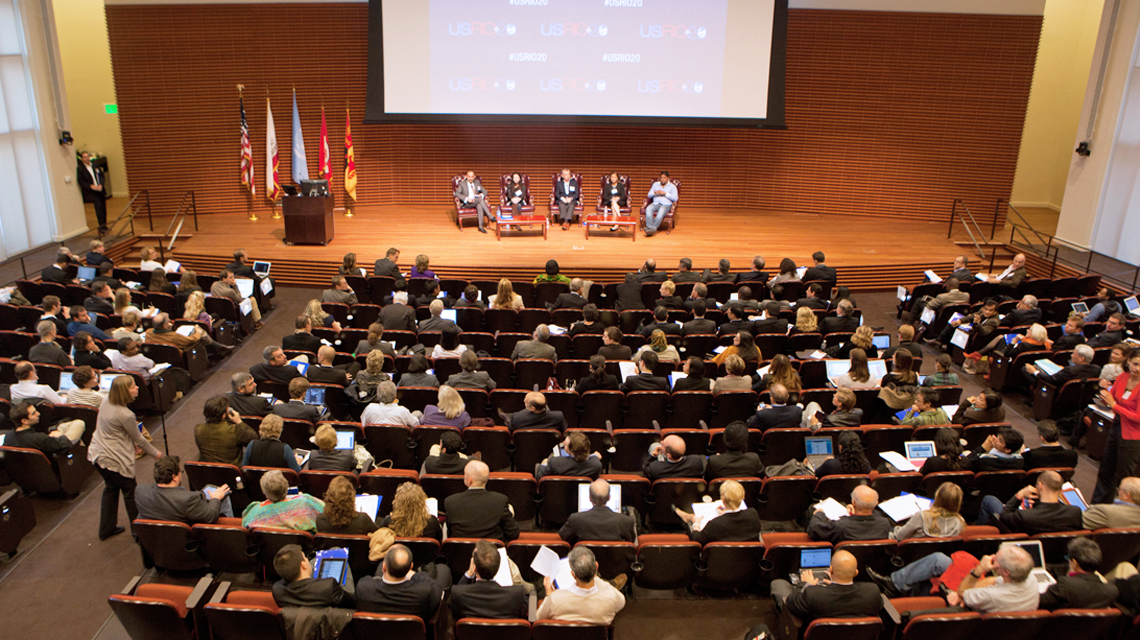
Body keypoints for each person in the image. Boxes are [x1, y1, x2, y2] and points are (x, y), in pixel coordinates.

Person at [88, 375, 162, 540]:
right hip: (114, 459)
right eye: (133, 386)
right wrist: (156, 453)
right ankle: (139, 531)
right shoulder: (126, 414)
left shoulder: (106, 402)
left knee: (111, 488)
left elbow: (116, 430)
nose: (137, 387)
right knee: (130, 493)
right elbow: (139, 439)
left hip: (98, 455)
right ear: (124, 391)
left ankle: (106, 529)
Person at [870, 543, 1037, 611]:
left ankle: (895, 587)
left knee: (929, 578)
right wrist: (973, 586)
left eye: (994, 560)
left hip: (965, 610)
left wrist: (978, 570)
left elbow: (964, 593)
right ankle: (894, 582)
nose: (989, 557)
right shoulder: (1030, 579)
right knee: (939, 560)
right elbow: (994, 580)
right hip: (976, 596)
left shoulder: (992, 596)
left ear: (1006, 571)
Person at [771, 550, 881, 623]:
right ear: (856, 573)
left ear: (831, 569)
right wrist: (832, 587)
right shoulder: (872, 592)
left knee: (778, 584)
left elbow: (791, 603)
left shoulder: (813, 594)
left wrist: (805, 584)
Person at [1093, 350, 1140, 503]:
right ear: (1128, 362)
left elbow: (1138, 417)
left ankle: (1121, 510)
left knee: (1125, 477)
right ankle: (1098, 505)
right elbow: (1110, 398)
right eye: (1135, 364)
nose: (1137, 368)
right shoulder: (1122, 377)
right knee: (1106, 469)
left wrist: (1115, 406)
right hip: (1116, 426)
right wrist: (1104, 392)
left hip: (1133, 436)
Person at [358, 545, 454, 619]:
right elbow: (437, 588)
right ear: (410, 567)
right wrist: (416, 575)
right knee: (443, 569)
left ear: (384, 567)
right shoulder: (423, 593)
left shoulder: (363, 588)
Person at [536, 547, 626, 625]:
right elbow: (621, 602)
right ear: (596, 567)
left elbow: (538, 618)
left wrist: (548, 593)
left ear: (573, 575)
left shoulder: (554, 599)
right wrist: (594, 575)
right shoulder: (612, 597)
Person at [975, 470, 1082, 534]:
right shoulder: (1075, 512)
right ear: (1060, 490)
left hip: (1019, 543)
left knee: (989, 500)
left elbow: (1004, 515)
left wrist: (1019, 495)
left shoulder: (1025, 516)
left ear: (1040, 486)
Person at [136, 455, 232, 523]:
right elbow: (210, 517)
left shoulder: (140, 491)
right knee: (224, 499)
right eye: (180, 472)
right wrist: (216, 498)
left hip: (155, 544)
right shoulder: (189, 499)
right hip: (184, 543)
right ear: (174, 477)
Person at [443, 460, 520, 542]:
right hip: (491, 552)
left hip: (460, 553)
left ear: (469, 480)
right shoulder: (500, 501)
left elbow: (450, 533)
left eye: (465, 474)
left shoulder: (451, 502)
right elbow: (513, 533)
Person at [452, 540, 528, 620]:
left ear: (474, 568)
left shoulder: (458, 594)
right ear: (498, 567)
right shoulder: (517, 595)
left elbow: (455, 605)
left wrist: (469, 573)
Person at [1038, 538, 1119, 610]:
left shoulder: (1065, 584)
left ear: (1074, 563)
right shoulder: (1111, 591)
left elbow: (1038, 601)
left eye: (1068, 559)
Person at [675, 479, 761, 544]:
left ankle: (687, 517)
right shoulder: (753, 514)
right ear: (743, 497)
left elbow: (696, 539)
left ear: (723, 500)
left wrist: (696, 523)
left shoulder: (715, 524)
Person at [270, 544, 355, 609]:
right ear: (303, 565)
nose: (307, 559)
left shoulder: (278, 590)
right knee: (336, 551)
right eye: (305, 557)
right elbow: (351, 602)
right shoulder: (329, 586)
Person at [559, 479, 637, 545]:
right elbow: (630, 544)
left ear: (589, 498)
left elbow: (563, 538)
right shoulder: (626, 521)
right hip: (615, 561)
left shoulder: (575, 519)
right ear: (609, 497)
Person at [242, 470, 323, 532]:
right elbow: (326, 513)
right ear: (286, 487)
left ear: (264, 492)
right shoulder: (306, 502)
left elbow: (245, 529)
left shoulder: (253, 512)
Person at [806, 485, 891, 543]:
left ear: (853, 503)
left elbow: (814, 529)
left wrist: (820, 514)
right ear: (876, 503)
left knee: (811, 509)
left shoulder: (842, 526)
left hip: (841, 559)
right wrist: (853, 514)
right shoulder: (884, 523)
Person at [194, 396, 258, 466]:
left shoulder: (198, 429)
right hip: (231, 473)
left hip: (208, 472)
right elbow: (254, 439)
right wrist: (239, 421)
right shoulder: (233, 429)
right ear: (224, 415)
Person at [890, 482, 965, 540]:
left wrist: (896, 528)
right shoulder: (959, 522)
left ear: (937, 497)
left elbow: (899, 536)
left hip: (915, 557)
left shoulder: (922, 516)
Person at [5, 401, 85, 454]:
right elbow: (66, 446)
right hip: (59, 465)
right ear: (25, 421)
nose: (38, 413)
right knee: (79, 425)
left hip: (30, 472)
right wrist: (60, 436)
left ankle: (58, 429)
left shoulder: (8, 437)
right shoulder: (40, 438)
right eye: (34, 413)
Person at [378, 481, 443, 541]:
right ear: (421, 502)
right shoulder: (432, 523)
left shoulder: (387, 523)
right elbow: (439, 542)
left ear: (397, 503)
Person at [536, 431, 603, 480]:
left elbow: (541, 477)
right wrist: (595, 456)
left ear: (572, 453)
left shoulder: (555, 462)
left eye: (565, 445)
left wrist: (544, 463)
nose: (563, 443)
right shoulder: (596, 465)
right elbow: (595, 457)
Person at [1024, 344, 1100, 385]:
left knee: (1025, 369)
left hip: (1053, 391)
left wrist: (1034, 372)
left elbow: (1051, 380)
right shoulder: (1097, 369)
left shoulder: (1069, 370)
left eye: (1074, 354)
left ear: (1082, 358)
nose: (1071, 355)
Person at [501, 391, 567, 432]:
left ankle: (508, 416)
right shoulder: (558, 416)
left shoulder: (517, 418)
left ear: (533, 408)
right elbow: (564, 431)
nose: (524, 401)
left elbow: (511, 434)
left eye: (525, 401)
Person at [77, 151, 109, 233]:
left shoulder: (95, 165)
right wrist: (91, 186)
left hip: (100, 189)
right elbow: (81, 181)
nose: (87, 158)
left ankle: (104, 225)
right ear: (82, 159)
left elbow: (101, 175)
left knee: (103, 208)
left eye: (88, 157)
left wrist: (101, 184)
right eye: (85, 157)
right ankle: (101, 227)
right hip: (92, 192)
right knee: (98, 209)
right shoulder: (80, 169)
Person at [643, 171, 678, 236]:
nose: (662, 179)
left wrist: (665, 194)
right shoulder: (655, 184)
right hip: (656, 203)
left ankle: (651, 228)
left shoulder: (672, 186)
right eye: (661, 178)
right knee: (648, 209)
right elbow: (649, 195)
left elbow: (675, 198)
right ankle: (651, 228)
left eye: (664, 178)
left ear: (668, 178)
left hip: (666, 204)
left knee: (660, 213)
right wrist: (655, 192)